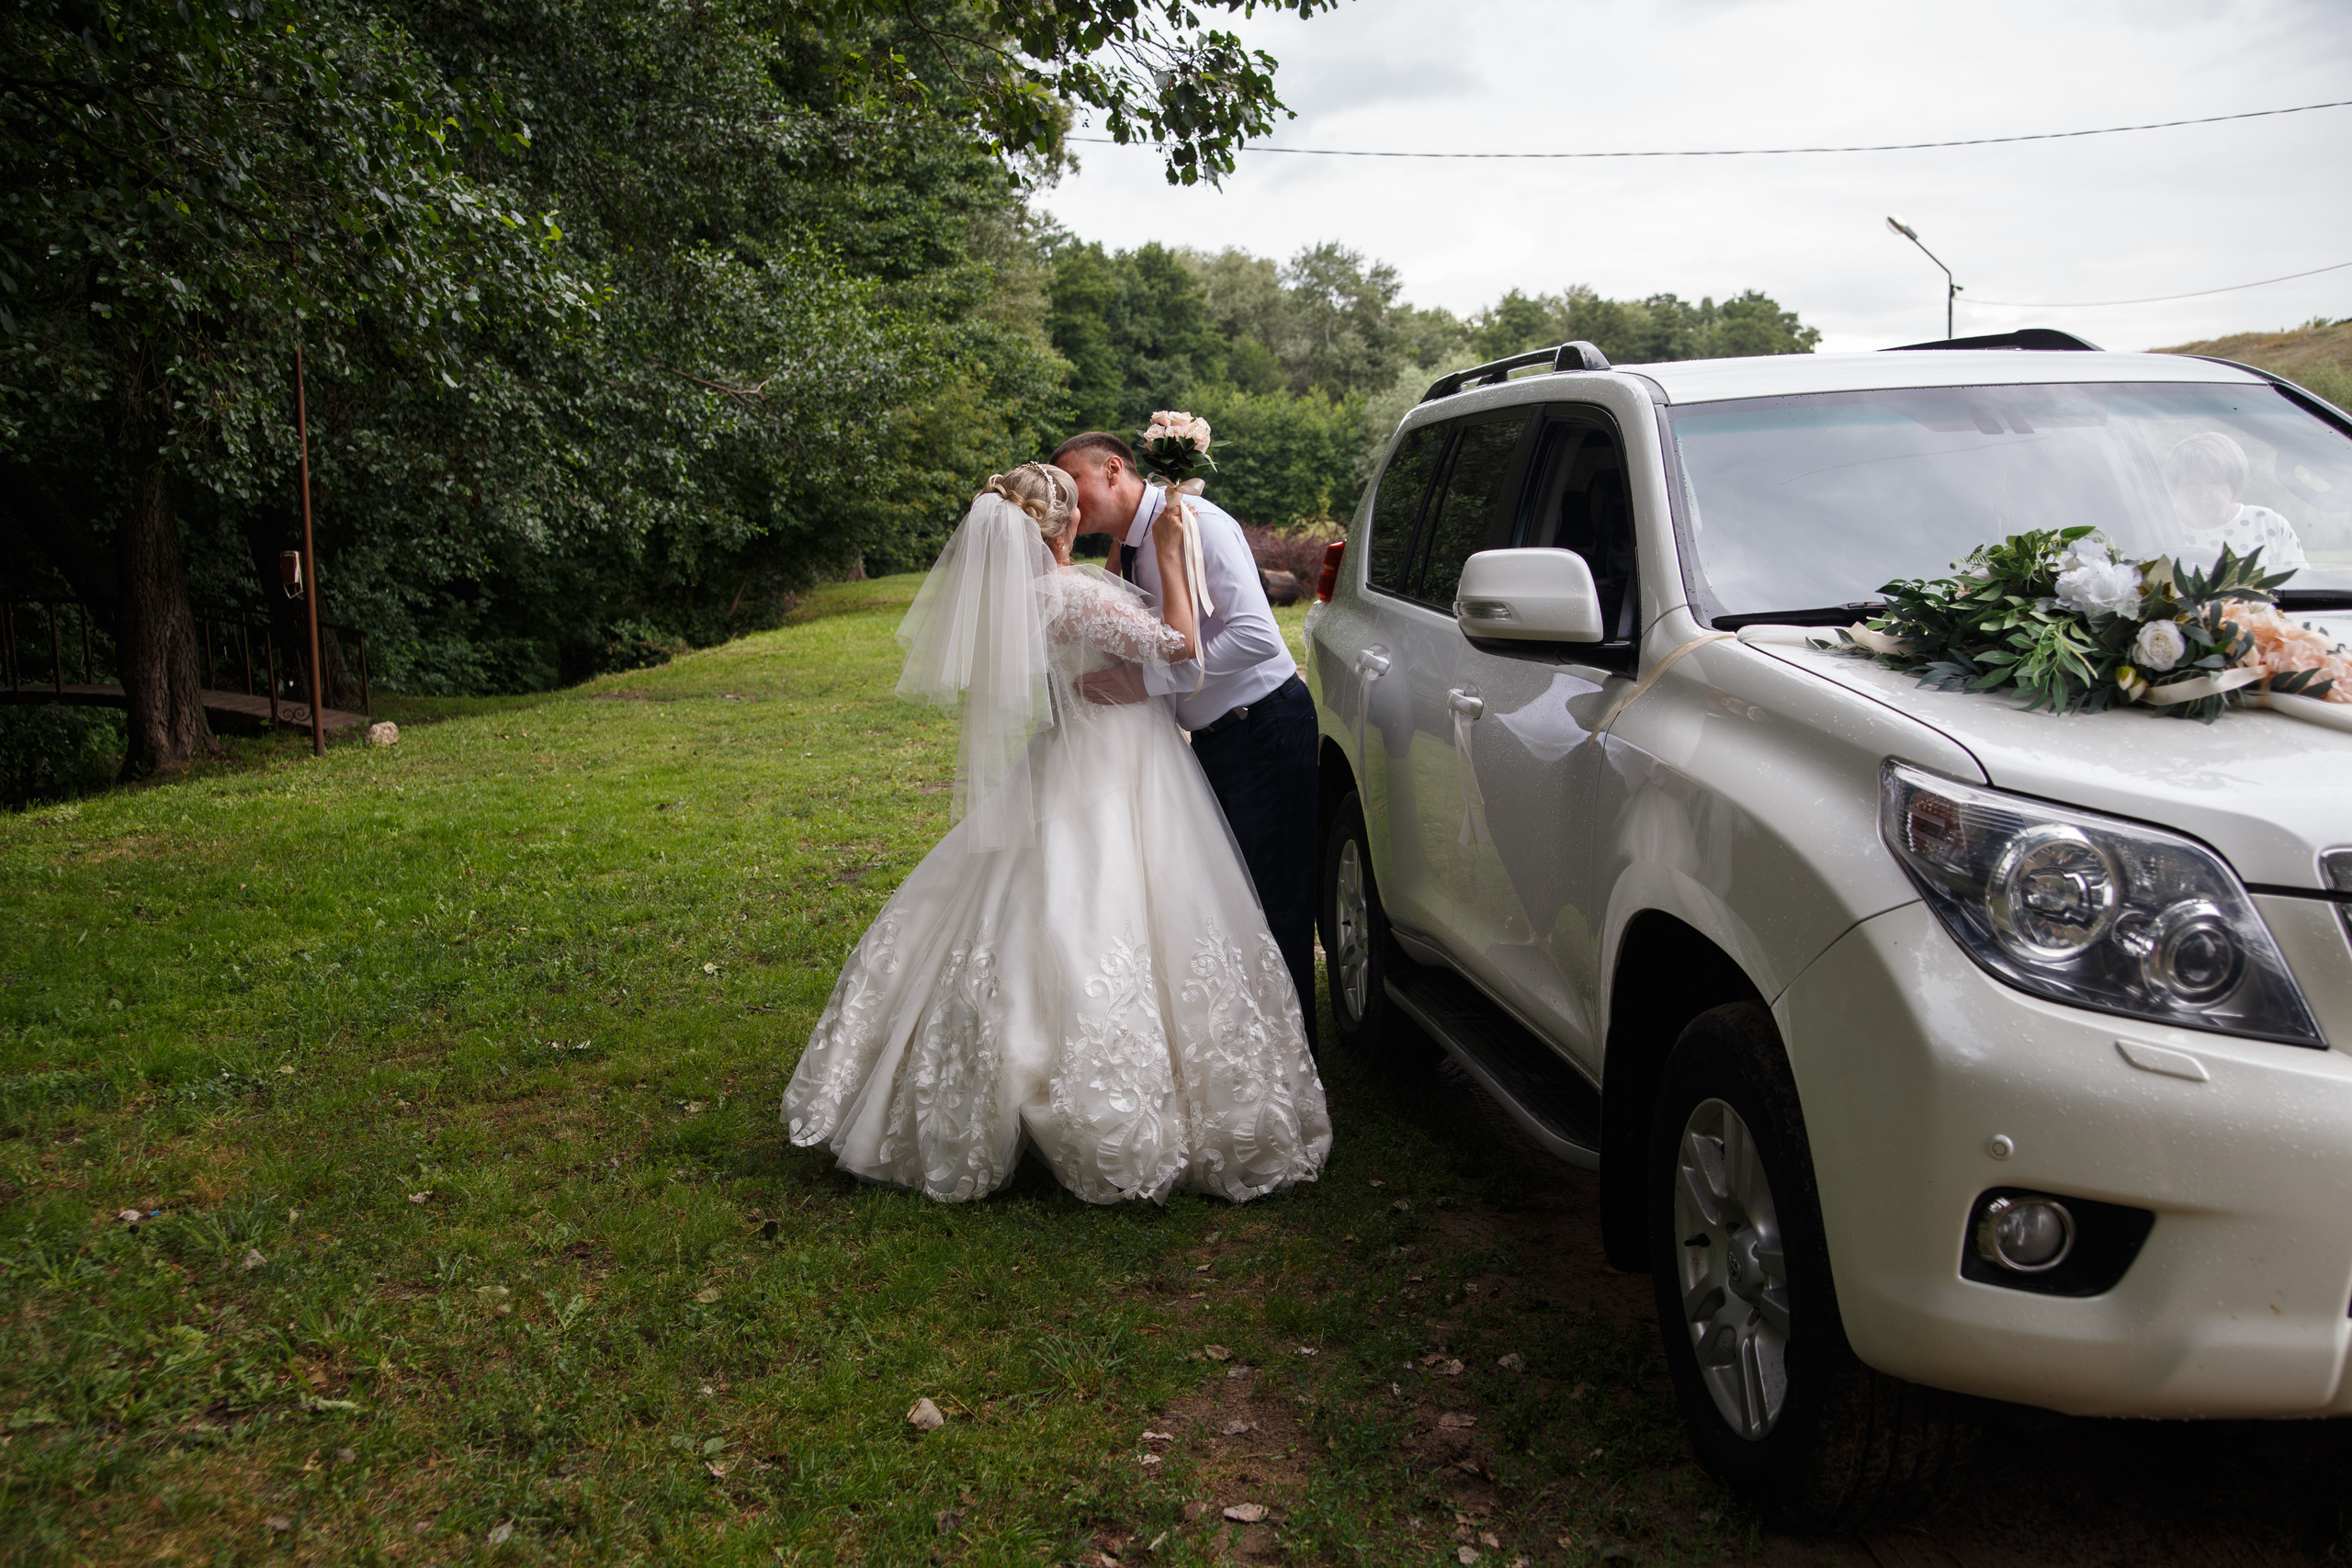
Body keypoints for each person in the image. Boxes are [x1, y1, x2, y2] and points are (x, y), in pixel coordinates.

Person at [780, 463, 1330, 1204]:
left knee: (1040, 892)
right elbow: (1179, 645)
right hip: (1119, 763)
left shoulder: (1034, 597)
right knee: (1118, 897)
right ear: (1066, 523)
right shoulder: (1071, 594)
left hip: (1073, 755)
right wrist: (1170, 556)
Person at [1050, 433, 1321, 1043]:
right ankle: (1258, 1044)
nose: (1068, 499)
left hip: (1264, 728)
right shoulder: (1131, 546)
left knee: (1276, 904)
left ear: (1112, 469)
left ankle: (1298, 1059)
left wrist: (1145, 681)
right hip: (1215, 741)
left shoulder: (1196, 525)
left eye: (1074, 482)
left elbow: (1256, 636)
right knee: (1233, 902)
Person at [2163, 430, 2306, 572]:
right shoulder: (2159, 525)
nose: (2203, 493)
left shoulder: (2268, 523)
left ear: (2234, 483)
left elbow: (2301, 582)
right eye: (2192, 483)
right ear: (2175, 485)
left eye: (2215, 482)